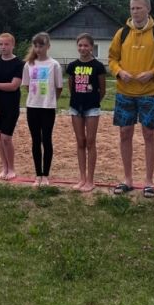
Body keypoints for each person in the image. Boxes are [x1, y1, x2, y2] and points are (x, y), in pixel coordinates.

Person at [108, 0, 154, 198]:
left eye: (138, 8)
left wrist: (153, 73)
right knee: (125, 134)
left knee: (149, 135)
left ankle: (149, 182)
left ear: (148, 10)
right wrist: (119, 72)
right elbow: (112, 59)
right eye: (132, 8)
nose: (134, 12)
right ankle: (128, 179)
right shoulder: (122, 33)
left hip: (150, 93)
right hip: (125, 92)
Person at [22, 32, 63, 187]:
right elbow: (27, 85)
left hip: (48, 108)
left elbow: (59, 87)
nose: (38, 49)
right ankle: (37, 174)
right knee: (35, 140)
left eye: (41, 45)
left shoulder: (54, 65)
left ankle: (46, 175)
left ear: (48, 46)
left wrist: (51, 100)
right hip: (32, 107)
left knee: (47, 139)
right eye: (36, 45)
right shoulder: (29, 64)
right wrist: (36, 98)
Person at [66, 33, 106, 192]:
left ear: (91, 47)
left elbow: (102, 89)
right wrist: (79, 100)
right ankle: (82, 177)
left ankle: (91, 179)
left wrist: (93, 101)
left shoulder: (98, 66)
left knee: (90, 141)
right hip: (76, 107)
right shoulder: (72, 66)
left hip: (92, 108)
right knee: (80, 141)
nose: (83, 48)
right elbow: (71, 87)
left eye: (86, 45)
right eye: (80, 45)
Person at [0, 33, 24, 181]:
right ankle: (4, 167)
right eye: (1, 44)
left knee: (6, 138)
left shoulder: (18, 64)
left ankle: (12, 168)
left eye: (6, 44)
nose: (3, 47)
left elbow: (14, 86)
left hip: (11, 105)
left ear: (13, 45)